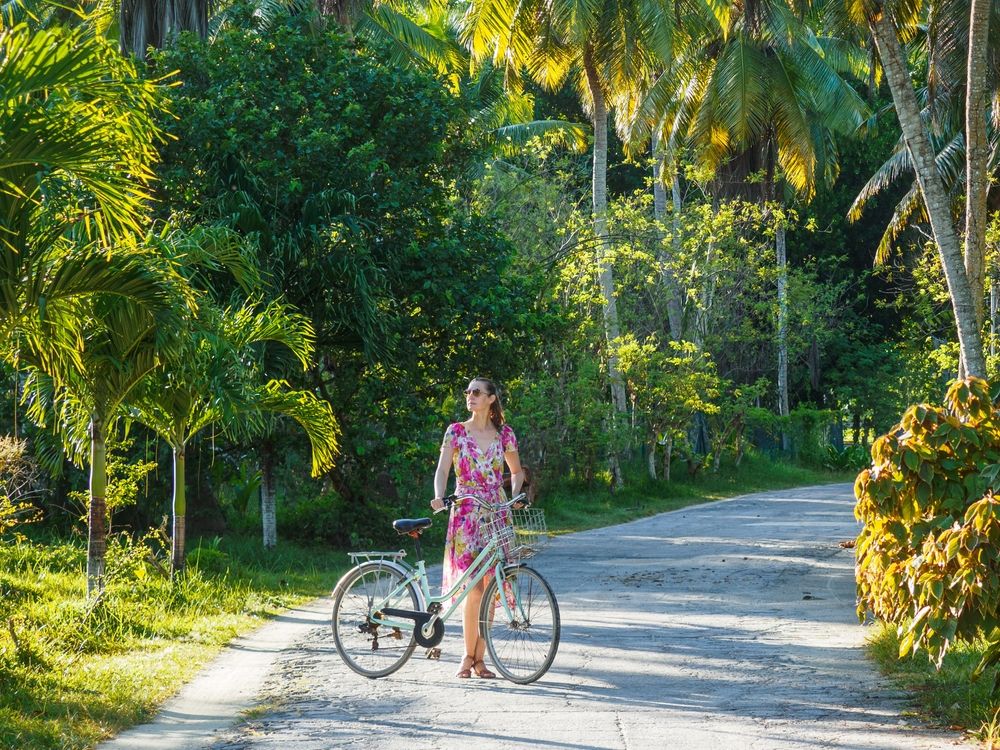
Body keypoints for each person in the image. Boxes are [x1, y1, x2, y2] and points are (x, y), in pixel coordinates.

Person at [430, 377, 523, 679]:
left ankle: (480, 659)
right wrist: (438, 496)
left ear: (492, 399)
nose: (470, 396)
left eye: (477, 392)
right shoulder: (456, 431)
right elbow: (443, 468)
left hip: (495, 511)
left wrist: (515, 498)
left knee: (490, 587)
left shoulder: (504, 434)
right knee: (473, 588)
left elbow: (516, 471)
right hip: (466, 511)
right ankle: (466, 656)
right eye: (468, 392)